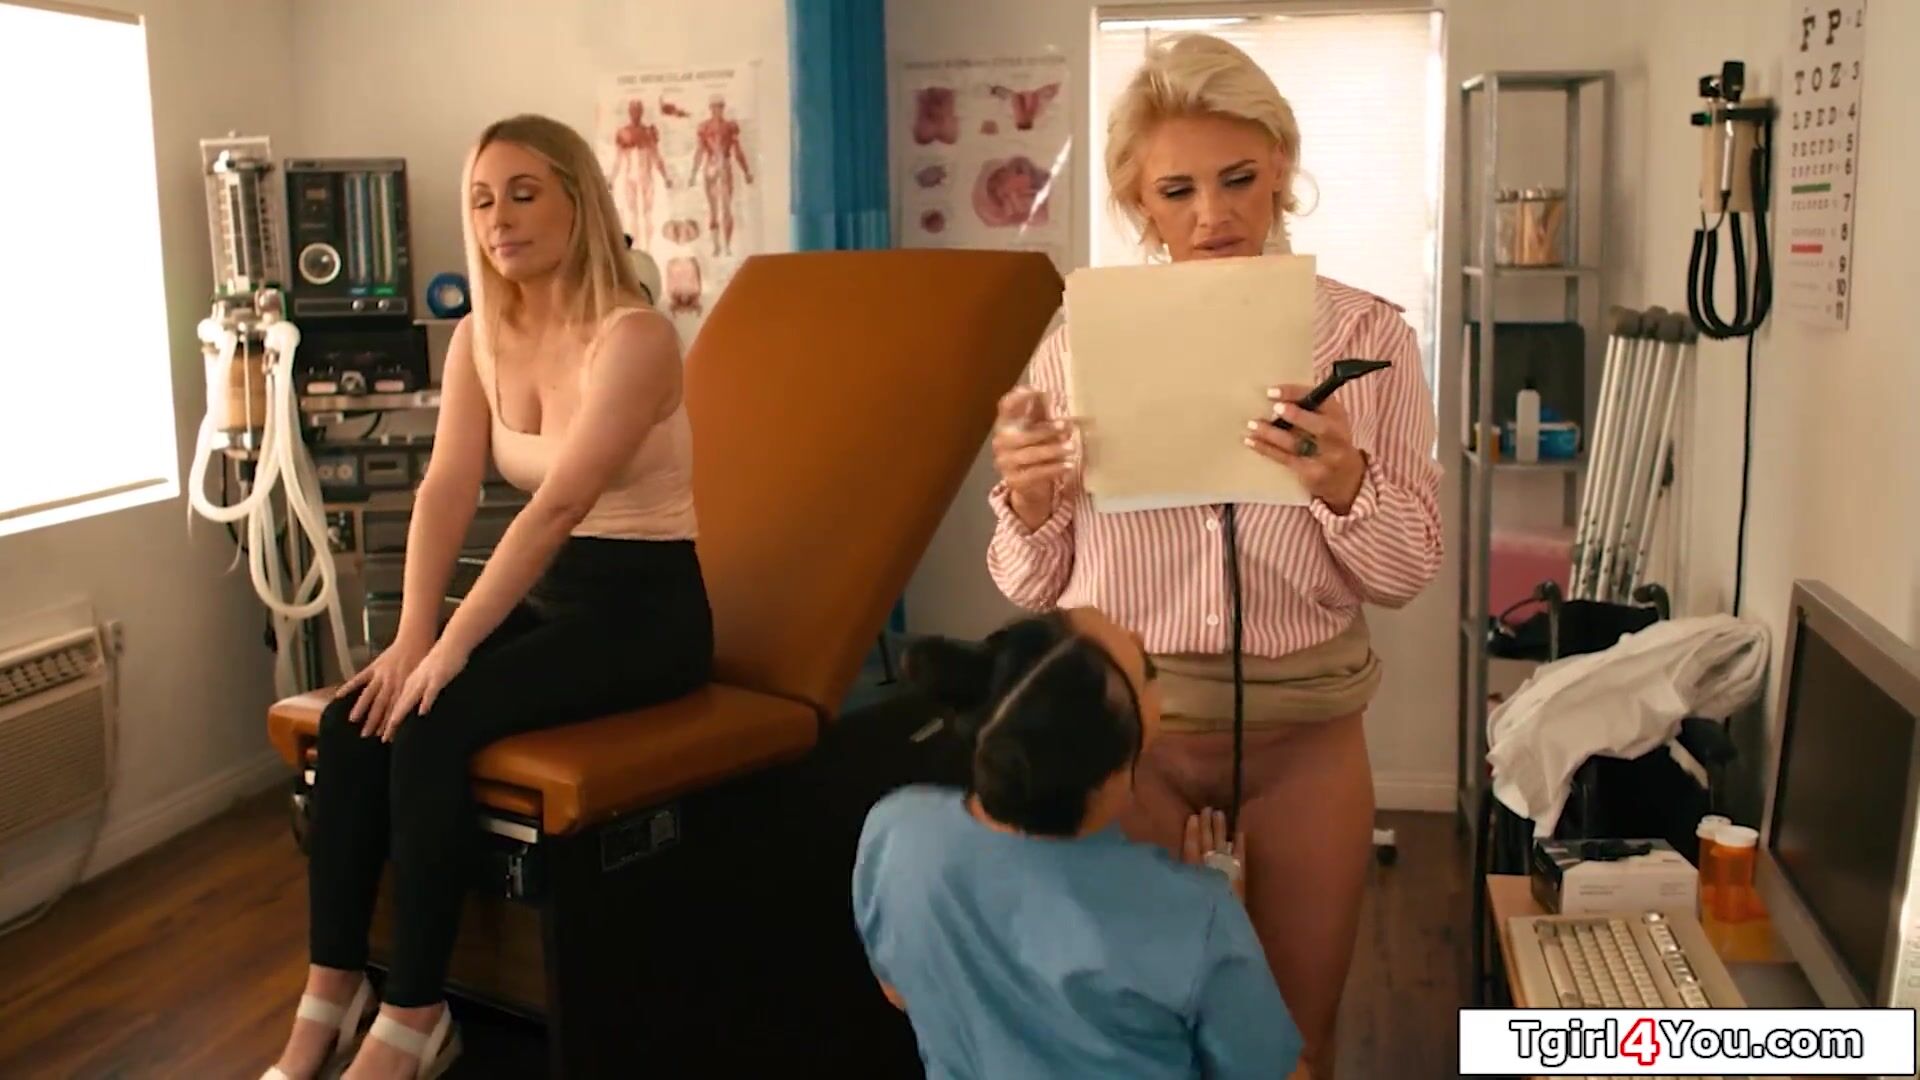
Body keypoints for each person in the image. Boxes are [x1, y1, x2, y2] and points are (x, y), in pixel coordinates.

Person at [986, 34, 1443, 1079]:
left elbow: (1407, 571)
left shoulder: (1369, 340)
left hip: (1308, 737)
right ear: (1137, 202)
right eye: (1176, 191)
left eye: (1238, 179)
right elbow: (1027, 581)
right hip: (1131, 738)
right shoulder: (1077, 343)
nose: (1212, 217)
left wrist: (1344, 483)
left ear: (1281, 165)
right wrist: (1031, 498)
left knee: (1295, 1046)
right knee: (1132, 1048)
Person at [262, 114, 713, 1080]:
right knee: (356, 719)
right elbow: (445, 490)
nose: (498, 218)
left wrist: (451, 648)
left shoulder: (635, 337)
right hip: (551, 599)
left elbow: (558, 508)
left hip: (646, 614)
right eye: (480, 200)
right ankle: (330, 994)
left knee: (432, 715)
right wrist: (411, 637)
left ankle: (415, 1014)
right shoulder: (479, 337)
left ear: (578, 201)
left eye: (523, 193)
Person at [853, 607, 1303, 1079]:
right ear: (1111, 772)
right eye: (1147, 672)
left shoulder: (895, 832)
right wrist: (1215, 924)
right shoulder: (1195, 918)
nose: (1136, 632)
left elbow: (899, 991)